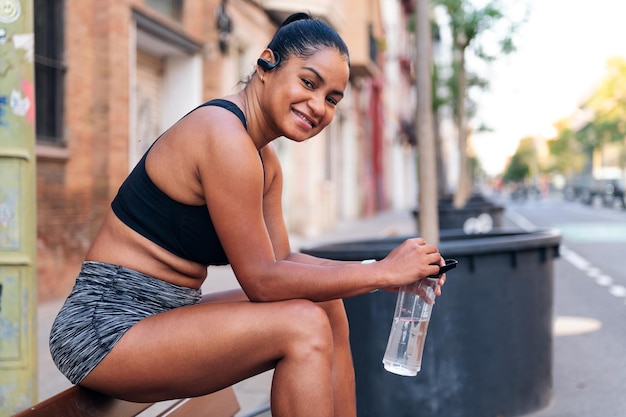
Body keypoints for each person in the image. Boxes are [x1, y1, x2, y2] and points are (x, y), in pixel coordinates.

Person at [49, 12, 446, 417]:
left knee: (325, 305)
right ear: (265, 65)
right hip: (103, 330)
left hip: (165, 316)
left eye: (331, 98)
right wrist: (382, 272)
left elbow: (285, 263)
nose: (318, 106)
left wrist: (382, 271)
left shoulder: (264, 161)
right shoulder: (223, 137)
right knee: (301, 325)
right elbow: (262, 281)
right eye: (308, 82)